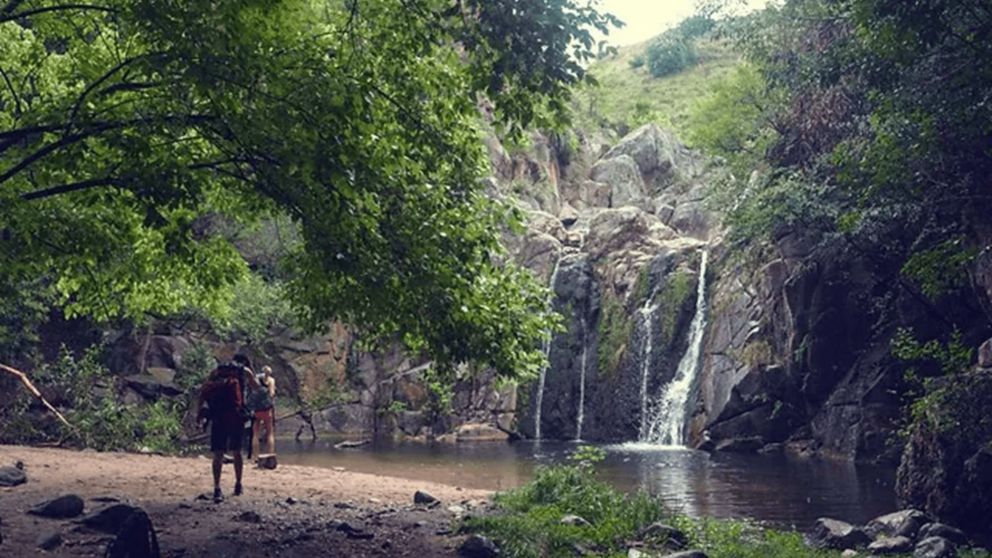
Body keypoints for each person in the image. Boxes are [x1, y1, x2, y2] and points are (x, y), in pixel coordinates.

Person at [197, 355, 257, 502]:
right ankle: (238, 484)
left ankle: (217, 488)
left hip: (218, 417)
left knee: (218, 454)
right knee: (237, 451)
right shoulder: (245, 371)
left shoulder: (216, 371)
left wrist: (200, 414)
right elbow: (256, 388)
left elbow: (204, 391)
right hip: (236, 416)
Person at [250, 365, 277, 459]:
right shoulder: (271, 380)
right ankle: (270, 456)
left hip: (257, 409)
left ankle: (255, 457)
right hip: (267, 409)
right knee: (270, 432)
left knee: (256, 433)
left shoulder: (256, 379)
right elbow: (272, 393)